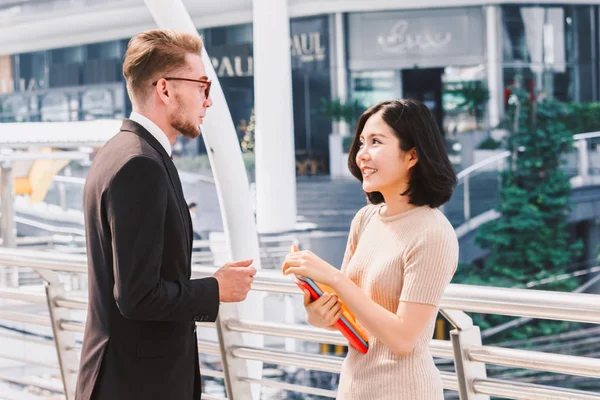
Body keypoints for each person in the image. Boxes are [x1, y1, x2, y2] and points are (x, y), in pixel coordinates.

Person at [75, 29, 256, 400]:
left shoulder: (122, 152)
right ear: (165, 89)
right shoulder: (139, 165)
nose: (208, 101)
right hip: (136, 384)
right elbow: (137, 296)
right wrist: (216, 288)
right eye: (202, 85)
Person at [283, 99, 458, 400]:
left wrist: (336, 279)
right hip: (355, 386)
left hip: (405, 391)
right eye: (362, 143)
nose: (362, 154)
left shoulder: (433, 232)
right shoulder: (365, 219)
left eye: (376, 142)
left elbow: (403, 339)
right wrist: (319, 313)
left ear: (412, 154)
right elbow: (352, 314)